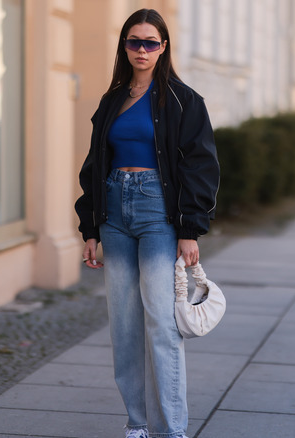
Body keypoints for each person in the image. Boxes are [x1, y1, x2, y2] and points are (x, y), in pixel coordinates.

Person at [74, 8, 220, 438]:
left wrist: (190, 229)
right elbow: (94, 165)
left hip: (158, 214)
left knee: (162, 322)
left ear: (164, 47)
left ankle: (171, 430)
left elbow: (202, 166)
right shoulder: (112, 99)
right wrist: (91, 228)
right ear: (124, 46)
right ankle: (137, 425)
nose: (142, 50)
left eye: (150, 43)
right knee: (124, 327)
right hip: (115, 214)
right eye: (134, 42)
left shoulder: (183, 100)